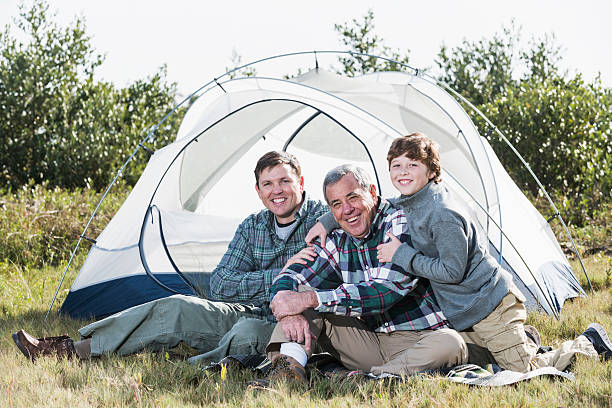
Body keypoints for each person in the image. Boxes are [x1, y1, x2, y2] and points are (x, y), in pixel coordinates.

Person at [310, 133, 611, 372]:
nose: (403, 172)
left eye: (413, 165)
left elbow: (451, 271)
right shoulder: (413, 198)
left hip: (490, 304)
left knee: (522, 369)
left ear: (431, 170)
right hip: (464, 310)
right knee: (472, 353)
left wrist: (402, 255)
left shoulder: (443, 214)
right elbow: (373, 203)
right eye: (397, 165)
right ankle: (521, 341)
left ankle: (588, 344)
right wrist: (327, 219)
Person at [12, 151, 328, 364]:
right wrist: (275, 276)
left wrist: (328, 223)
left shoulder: (322, 216)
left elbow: (360, 210)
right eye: (268, 184)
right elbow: (220, 284)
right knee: (176, 306)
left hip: (293, 323)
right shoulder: (253, 226)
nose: (277, 190)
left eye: (285, 181)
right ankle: (68, 351)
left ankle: (203, 360)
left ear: (300, 183)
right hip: (249, 310)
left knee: (245, 335)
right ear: (258, 191)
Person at [259, 164, 467, 386]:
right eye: (336, 204)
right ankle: (285, 375)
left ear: (372, 192)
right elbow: (294, 274)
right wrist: (285, 301)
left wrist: (311, 298)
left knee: (452, 343)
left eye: (353, 197)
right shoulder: (336, 238)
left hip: (418, 339)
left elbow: (384, 293)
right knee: (298, 297)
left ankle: (371, 380)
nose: (347, 210)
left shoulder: (399, 222)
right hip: (367, 341)